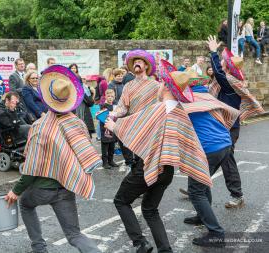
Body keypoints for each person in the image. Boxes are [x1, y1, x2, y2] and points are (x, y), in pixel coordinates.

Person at [105, 70, 213, 252]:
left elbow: (135, 129)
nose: (159, 84)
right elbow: (190, 143)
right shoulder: (179, 112)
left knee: (121, 201)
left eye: (162, 82)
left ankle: (140, 243)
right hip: (167, 170)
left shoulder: (159, 108)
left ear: (165, 87)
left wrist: (113, 126)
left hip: (148, 166)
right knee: (149, 209)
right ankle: (165, 249)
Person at [5, 65, 102, 253]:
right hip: (67, 186)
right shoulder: (77, 123)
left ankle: (39, 248)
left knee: (25, 203)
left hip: (43, 188)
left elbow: (32, 166)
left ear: (46, 98)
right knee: (74, 235)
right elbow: (83, 153)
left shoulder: (41, 126)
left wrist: (16, 191)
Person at [170, 61, 241, 247]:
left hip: (210, 148)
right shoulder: (202, 92)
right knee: (203, 182)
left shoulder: (183, 99)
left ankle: (216, 233)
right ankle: (202, 216)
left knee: (195, 191)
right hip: (223, 143)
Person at [208, 35, 264, 208]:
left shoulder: (229, 81)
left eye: (224, 61)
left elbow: (217, 72)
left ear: (227, 66)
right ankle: (198, 185)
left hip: (229, 128)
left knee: (226, 159)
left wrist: (213, 52)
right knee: (214, 157)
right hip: (224, 126)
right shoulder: (229, 82)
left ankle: (237, 195)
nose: (222, 63)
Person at [109, 49, 160, 170]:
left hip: (149, 128)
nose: (136, 63)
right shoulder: (128, 86)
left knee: (148, 162)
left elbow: (161, 106)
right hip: (134, 127)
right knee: (137, 161)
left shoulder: (155, 85)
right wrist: (113, 114)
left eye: (140, 61)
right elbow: (122, 107)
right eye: (135, 62)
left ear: (146, 65)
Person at [70, 63, 96, 138]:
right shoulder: (68, 91)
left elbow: (91, 103)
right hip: (74, 120)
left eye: (77, 81)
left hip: (85, 119)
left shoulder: (84, 89)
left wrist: (81, 92)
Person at [99, 89, 119, 170]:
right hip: (105, 128)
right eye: (108, 96)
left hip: (112, 128)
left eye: (112, 96)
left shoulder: (115, 106)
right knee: (105, 146)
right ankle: (105, 162)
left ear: (114, 97)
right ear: (105, 97)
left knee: (112, 146)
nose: (110, 98)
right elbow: (101, 117)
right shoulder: (103, 106)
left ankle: (111, 161)